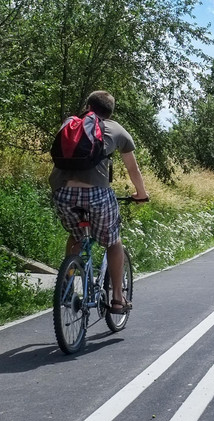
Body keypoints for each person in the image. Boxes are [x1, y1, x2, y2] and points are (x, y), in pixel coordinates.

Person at [49, 90, 148, 314]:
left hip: (62, 193)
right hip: (97, 196)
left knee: (75, 236)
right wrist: (141, 194)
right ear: (111, 111)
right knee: (113, 242)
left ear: (88, 105)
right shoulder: (116, 130)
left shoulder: (70, 124)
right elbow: (133, 169)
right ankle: (117, 299)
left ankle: (66, 285)